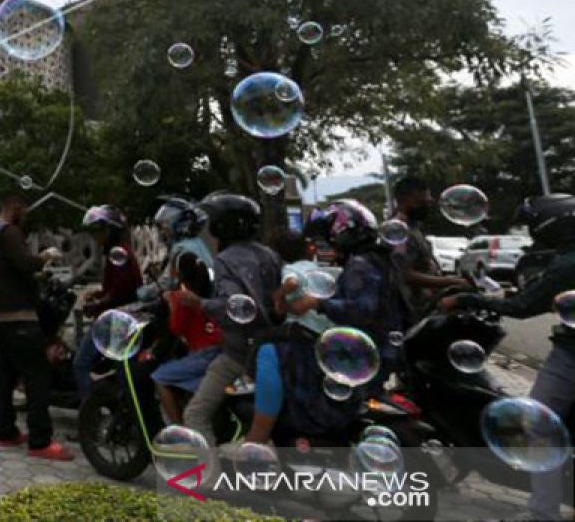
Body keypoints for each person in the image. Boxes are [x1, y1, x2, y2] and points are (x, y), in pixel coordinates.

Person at [226, 200, 411, 453]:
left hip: (357, 356)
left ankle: (259, 434)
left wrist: (316, 302)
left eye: (330, 238)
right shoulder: (379, 259)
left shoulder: (361, 264)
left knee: (271, 351)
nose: (330, 246)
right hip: (370, 351)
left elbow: (361, 310)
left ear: (343, 232)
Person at [440, 194, 575, 522]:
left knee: (537, 426)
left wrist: (466, 300)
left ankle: (543, 512)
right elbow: (544, 298)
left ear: (550, 223)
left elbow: (524, 307)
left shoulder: (569, 261)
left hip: (571, 356)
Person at [174, 193, 284, 445]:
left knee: (195, 414)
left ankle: (209, 478)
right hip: (272, 348)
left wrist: (199, 303)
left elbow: (236, 307)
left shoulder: (226, 259)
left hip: (240, 352)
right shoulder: (269, 254)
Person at [0, 194, 74, 460]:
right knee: (37, 374)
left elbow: (7, 269)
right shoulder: (9, 231)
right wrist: (45, 256)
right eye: (25, 212)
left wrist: (35, 274)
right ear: (15, 208)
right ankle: (40, 440)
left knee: (3, 375)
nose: (26, 218)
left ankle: (6, 432)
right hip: (18, 314)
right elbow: (24, 262)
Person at [72, 205, 143, 400]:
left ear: (110, 230)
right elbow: (116, 288)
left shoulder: (119, 254)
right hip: (120, 319)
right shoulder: (117, 252)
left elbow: (122, 293)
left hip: (116, 321)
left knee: (81, 364)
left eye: (98, 231)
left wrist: (98, 305)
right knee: (122, 371)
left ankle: (92, 417)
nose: (95, 237)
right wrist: (99, 293)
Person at [153, 252, 222, 424]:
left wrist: (170, 304)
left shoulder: (183, 297)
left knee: (159, 377)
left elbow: (176, 328)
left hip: (202, 353)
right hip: (217, 349)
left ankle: (178, 427)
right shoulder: (209, 290)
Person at [392, 176, 468, 318]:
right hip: (412, 313)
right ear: (406, 199)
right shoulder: (397, 230)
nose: (429, 203)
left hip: (425, 307)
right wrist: (451, 282)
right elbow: (404, 274)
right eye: (422, 201)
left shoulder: (412, 227)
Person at [155, 196, 213, 271]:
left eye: (164, 228)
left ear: (177, 225)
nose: (162, 233)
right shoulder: (196, 242)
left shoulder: (179, 248)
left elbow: (169, 280)